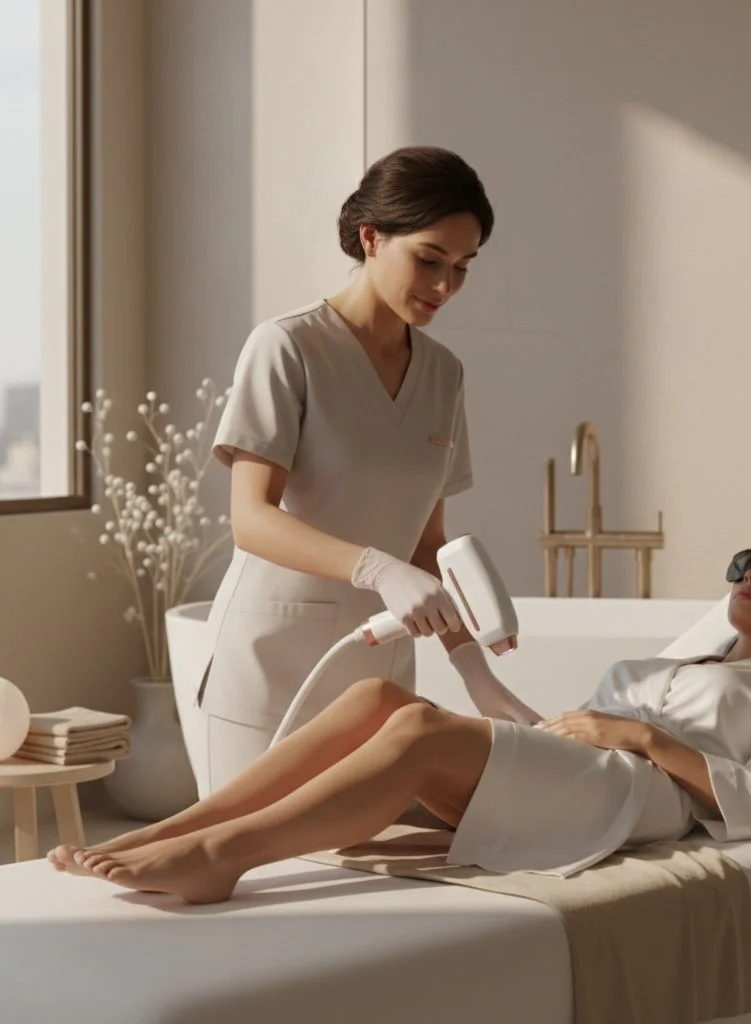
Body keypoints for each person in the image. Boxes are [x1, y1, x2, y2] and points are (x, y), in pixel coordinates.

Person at [49, 528, 751, 903]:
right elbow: (579, 736)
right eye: (745, 563)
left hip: (638, 797)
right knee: (373, 698)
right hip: (581, 770)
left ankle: (222, 855)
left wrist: (640, 735)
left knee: (418, 731)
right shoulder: (661, 664)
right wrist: (555, 726)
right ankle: (174, 829)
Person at [186, 145, 500, 795]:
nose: (445, 286)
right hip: (270, 662)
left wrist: (473, 668)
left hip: (377, 672)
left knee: (353, 856)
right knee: (233, 849)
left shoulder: (444, 374)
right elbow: (251, 520)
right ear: (370, 237)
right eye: (430, 260)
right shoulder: (288, 347)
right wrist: (377, 569)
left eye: (463, 267)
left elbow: (427, 545)